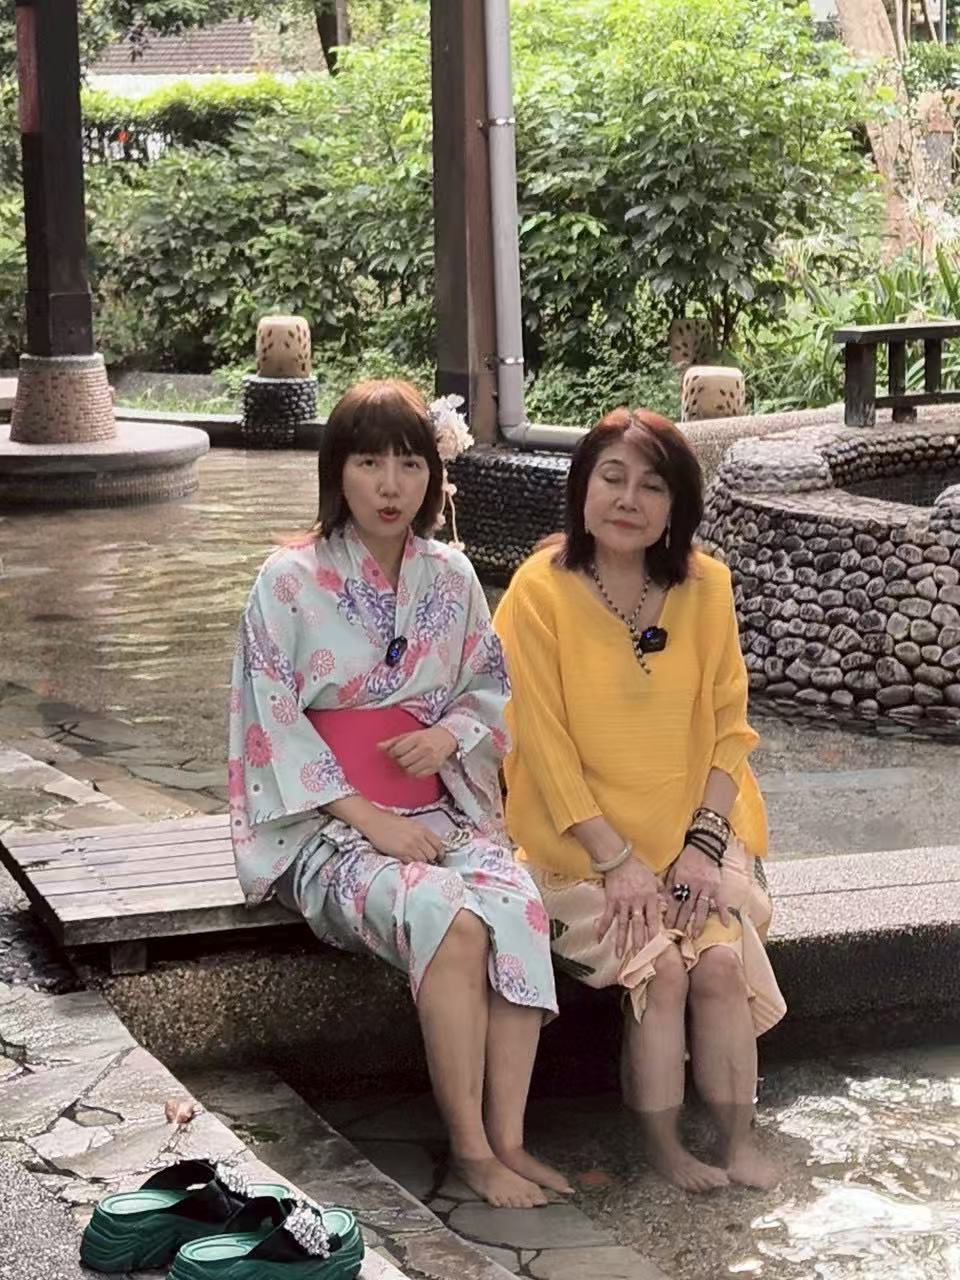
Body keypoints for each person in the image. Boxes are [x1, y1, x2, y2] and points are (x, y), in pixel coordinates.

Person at [228, 379, 569, 1209]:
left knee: (517, 904)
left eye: (410, 464)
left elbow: (487, 688)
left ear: (433, 476)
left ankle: (511, 1138)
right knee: (449, 917)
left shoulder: (450, 576)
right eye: (369, 462)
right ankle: (471, 1150)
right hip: (325, 825)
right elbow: (270, 720)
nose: (390, 485)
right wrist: (368, 817)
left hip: (435, 807)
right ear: (336, 471)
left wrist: (447, 736)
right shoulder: (288, 581)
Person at [494, 407, 786, 1194]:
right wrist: (617, 861)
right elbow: (541, 746)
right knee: (663, 970)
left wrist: (702, 847)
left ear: (676, 504)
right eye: (612, 478)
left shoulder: (706, 586)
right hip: (579, 851)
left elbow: (730, 730)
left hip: (696, 839)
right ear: (582, 489)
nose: (629, 499)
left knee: (718, 965)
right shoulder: (537, 592)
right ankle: (663, 1146)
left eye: (652, 486)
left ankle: (737, 1142)